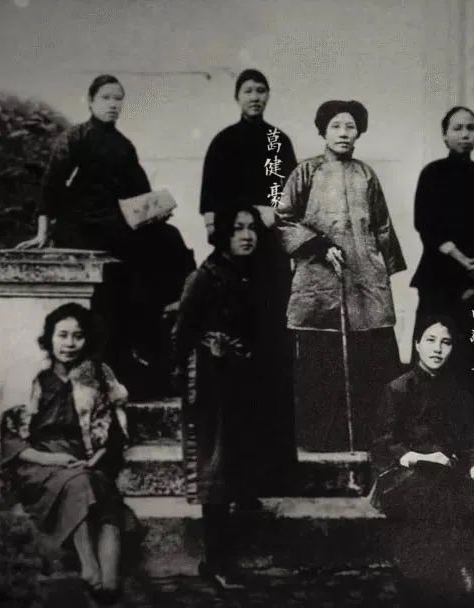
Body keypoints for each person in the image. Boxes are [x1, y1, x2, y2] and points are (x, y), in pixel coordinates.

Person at [17, 74, 195, 400]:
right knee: (119, 281)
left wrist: (155, 211)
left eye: (118, 98)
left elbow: (140, 193)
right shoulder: (75, 138)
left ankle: (174, 309)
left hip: (116, 225)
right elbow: (51, 185)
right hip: (80, 226)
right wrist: (43, 232)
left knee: (168, 238)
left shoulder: (123, 146)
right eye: (106, 98)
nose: (113, 104)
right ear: (90, 101)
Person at [275, 99, 407, 452]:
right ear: (323, 131)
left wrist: (382, 272)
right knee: (321, 357)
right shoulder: (306, 172)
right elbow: (284, 219)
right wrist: (318, 245)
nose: (344, 133)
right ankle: (321, 437)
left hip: (363, 275)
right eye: (336, 126)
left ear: (359, 132)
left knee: (370, 353)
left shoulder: (366, 175)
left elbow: (381, 225)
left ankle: (371, 435)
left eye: (350, 126)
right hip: (320, 275)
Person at [0, 303, 138, 604]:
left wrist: (99, 456)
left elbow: (114, 429)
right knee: (80, 482)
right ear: (50, 338)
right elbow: (12, 439)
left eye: (78, 336)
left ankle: (109, 579)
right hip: (39, 461)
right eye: (62, 335)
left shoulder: (98, 375)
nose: (70, 344)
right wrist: (51, 459)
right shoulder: (30, 377)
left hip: (84, 456)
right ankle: (89, 566)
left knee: (103, 492)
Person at [199, 68, 298, 486]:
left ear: (268, 95)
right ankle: (230, 464)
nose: (255, 97)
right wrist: (232, 228)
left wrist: (269, 214)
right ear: (237, 96)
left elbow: (286, 201)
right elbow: (210, 206)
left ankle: (275, 466)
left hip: (270, 257)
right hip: (234, 255)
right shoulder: (223, 142)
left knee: (272, 347)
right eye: (248, 90)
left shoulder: (278, 142)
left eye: (261, 90)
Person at [371, 316, 474, 605]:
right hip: (403, 474)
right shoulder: (398, 389)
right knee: (434, 492)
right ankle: (450, 577)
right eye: (431, 340)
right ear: (417, 344)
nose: (437, 349)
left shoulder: (459, 393)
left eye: (445, 342)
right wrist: (420, 458)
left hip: (451, 472)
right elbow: (384, 441)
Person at [172, 206, 267, 590]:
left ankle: (223, 558)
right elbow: (181, 334)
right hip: (210, 388)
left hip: (242, 385)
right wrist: (205, 352)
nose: (246, 235)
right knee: (215, 472)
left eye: (252, 228)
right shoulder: (204, 278)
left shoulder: (250, 275)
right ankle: (216, 562)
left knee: (236, 468)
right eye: (238, 228)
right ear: (223, 235)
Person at [410, 106, 474, 397]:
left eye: (471, 128)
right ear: (444, 135)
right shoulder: (432, 174)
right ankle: (428, 402)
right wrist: (458, 257)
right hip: (440, 272)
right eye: (457, 128)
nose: (465, 134)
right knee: (436, 334)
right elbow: (425, 221)